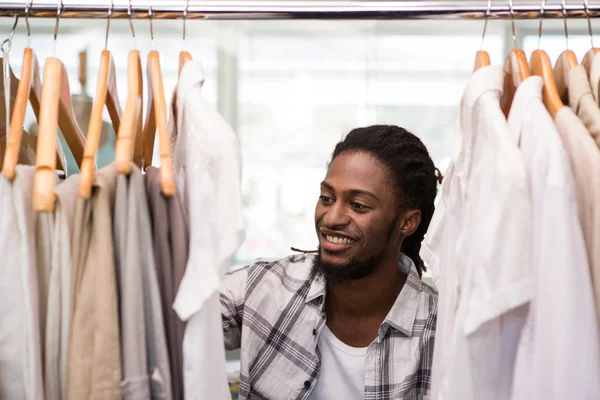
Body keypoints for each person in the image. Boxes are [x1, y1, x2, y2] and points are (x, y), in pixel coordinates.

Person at [221, 125, 439, 399]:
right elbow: (171, 325)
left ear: (407, 222)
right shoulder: (264, 286)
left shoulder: (440, 331)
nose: (332, 218)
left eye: (358, 205)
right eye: (327, 198)